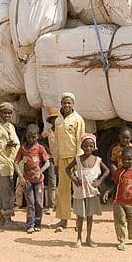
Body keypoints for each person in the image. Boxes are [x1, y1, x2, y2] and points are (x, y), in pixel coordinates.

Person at [65, 133, 109, 248]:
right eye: (85, 146)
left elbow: (107, 171)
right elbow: (67, 169)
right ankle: (78, 238)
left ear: (94, 147)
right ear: (81, 147)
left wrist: (99, 181)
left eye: (90, 146)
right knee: (80, 216)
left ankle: (88, 238)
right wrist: (74, 179)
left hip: (92, 192)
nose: (88, 148)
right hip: (80, 192)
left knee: (90, 216)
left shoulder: (98, 160)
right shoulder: (78, 159)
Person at [53, 92, 85, 232]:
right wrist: (56, 162)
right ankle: (63, 219)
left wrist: (79, 160)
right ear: (61, 103)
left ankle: (79, 220)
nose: (66, 105)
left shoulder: (78, 119)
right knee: (63, 189)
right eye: (64, 103)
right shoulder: (58, 120)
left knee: (78, 189)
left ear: (73, 104)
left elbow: (81, 141)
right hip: (61, 158)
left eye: (69, 103)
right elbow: (56, 143)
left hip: (74, 158)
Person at [15, 124, 51, 234]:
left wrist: (40, 171)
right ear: (26, 135)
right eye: (29, 137)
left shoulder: (40, 148)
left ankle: (38, 224)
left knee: (39, 203)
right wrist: (21, 176)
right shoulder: (23, 148)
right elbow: (16, 162)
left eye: (34, 137)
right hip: (27, 180)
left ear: (38, 136)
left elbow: (48, 163)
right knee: (30, 203)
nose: (31, 139)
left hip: (39, 181)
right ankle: (30, 224)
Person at [111, 146, 132, 251]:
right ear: (121, 160)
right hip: (119, 202)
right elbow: (116, 185)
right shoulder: (118, 172)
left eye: (129, 159)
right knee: (120, 221)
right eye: (124, 159)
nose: (127, 161)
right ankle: (121, 241)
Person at [41, 107, 61, 214]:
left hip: (62, 158)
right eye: (52, 119)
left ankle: (60, 204)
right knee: (52, 181)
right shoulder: (48, 131)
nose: (54, 120)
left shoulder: (62, 129)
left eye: (56, 118)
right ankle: (50, 205)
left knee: (62, 182)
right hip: (52, 158)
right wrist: (47, 152)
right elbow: (40, 140)